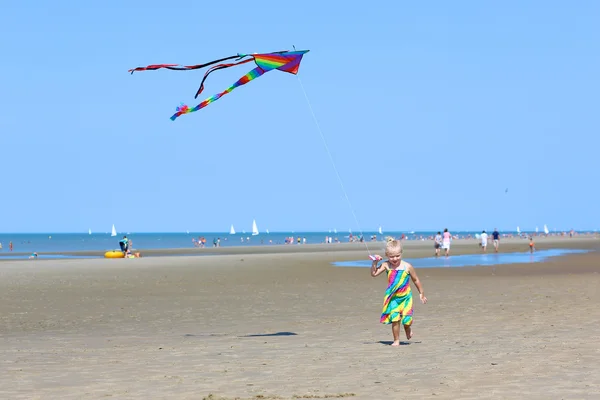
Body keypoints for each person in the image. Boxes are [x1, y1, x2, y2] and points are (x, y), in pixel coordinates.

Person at [370, 238, 428, 346]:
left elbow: (416, 280)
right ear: (387, 255)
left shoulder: (407, 266)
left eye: (397, 255)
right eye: (391, 256)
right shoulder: (386, 265)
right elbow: (374, 273)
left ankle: (407, 328)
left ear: (401, 253)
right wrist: (375, 262)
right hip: (393, 298)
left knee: (407, 319)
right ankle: (396, 340)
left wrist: (421, 293)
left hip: (406, 297)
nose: (395, 258)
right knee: (395, 319)